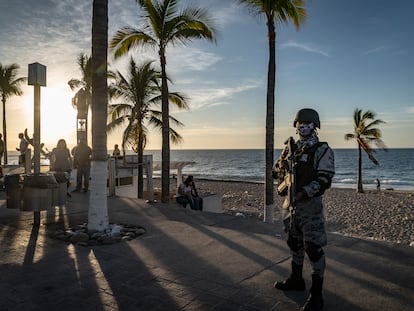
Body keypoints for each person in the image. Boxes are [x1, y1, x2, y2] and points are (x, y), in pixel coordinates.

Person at [272, 108, 335, 311]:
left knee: (313, 248)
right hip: (290, 206)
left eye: (308, 123)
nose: (303, 126)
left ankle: (317, 295)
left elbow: (324, 179)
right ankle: (296, 279)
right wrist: (282, 163)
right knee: (293, 242)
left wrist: (304, 192)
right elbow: (276, 173)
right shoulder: (291, 149)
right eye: (300, 122)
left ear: (315, 126)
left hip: (310, 206)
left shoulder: (322, 150)